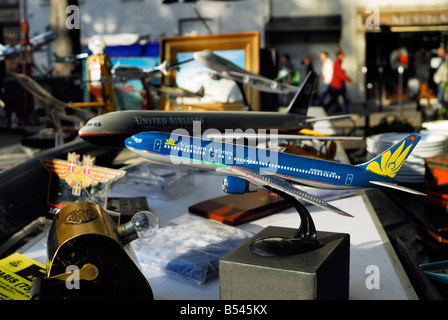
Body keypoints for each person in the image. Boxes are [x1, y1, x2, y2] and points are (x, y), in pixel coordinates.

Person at [328, 48, 353, 113]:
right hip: (337, 85)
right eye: (343, 54)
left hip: (338, 84)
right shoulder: (337, 62)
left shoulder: (338, 62)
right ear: (339, 55)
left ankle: (347, 111)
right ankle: (350, 113)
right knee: (346, 99)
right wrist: (349, 79)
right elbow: (340, 74)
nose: (344, 55)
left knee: (335, 99)